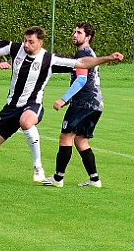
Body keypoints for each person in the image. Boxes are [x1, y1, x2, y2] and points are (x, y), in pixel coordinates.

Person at [0, 26, 123, 199]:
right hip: (10, 108)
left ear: (40, 42)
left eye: (30, 42)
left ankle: (38, 165)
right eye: (25, 40)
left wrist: (107, 58)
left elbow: (82, 63)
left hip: (33, 105)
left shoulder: (49, 59)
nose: (26, 45)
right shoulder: (15, 48)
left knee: (26, 121)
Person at [43, 22, 105, 188]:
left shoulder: (84, 53)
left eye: (79, 32)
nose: (75, 35)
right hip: (96, 104)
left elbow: (82, 79)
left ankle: (57, 178)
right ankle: (94, 179)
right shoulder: (89, 53)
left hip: (83, 103)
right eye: (75, 32)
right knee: (81, 140)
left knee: (66, 136)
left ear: (88, 37)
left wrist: (63, 99)